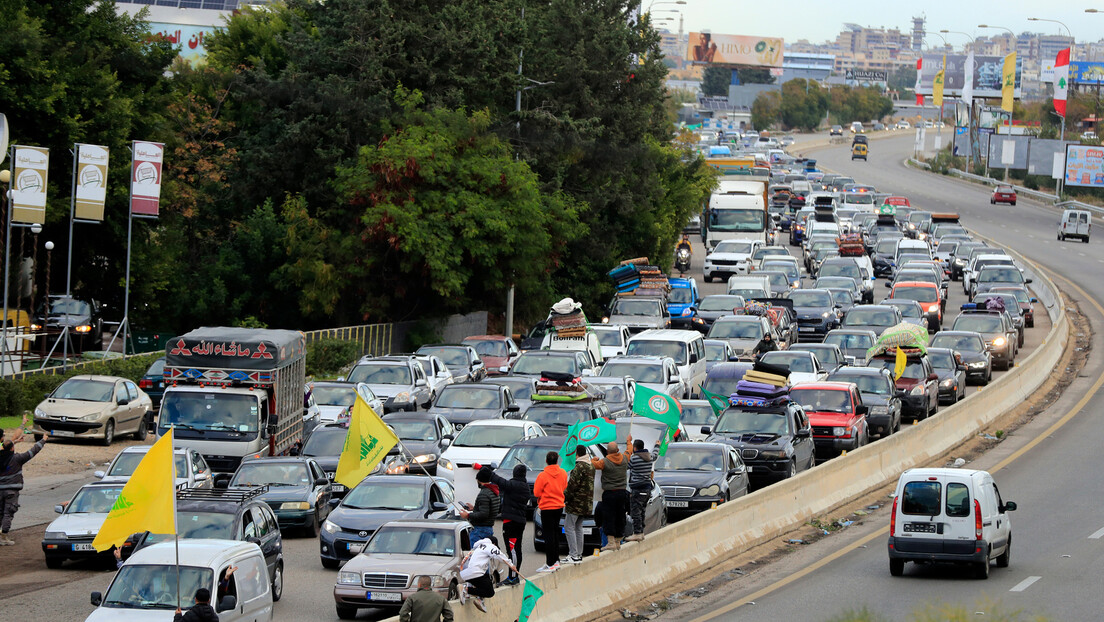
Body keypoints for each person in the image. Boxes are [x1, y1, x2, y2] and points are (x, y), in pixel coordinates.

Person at [477, 463, 531, 585]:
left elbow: (500, 481)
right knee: (514, 550)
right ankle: (513, 576)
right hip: (516, 521)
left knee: (513, 550)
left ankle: (513, 577)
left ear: (514, 473)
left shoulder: (516, 485)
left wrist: (486, 471)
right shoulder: (523, 485)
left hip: (512, 523)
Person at [0, 432, 47, 545]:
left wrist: (14, 441)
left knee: (0, 513)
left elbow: (5, 447)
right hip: (12, 491)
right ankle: (3, 537)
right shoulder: (17, 458)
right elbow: (33, 451)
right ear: (12, 449)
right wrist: (43, 440)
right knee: (8, 513)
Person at [459, 536, 516, 613]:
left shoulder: (477, 548)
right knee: (490, 592)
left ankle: (479, 598)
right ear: (494, 544)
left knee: (487, 579)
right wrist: (511, 565)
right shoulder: (489, 546)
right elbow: (499, 555)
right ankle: (466, 589)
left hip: (464, 573)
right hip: (474, 572)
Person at [591, 440, 630, 552]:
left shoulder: (604, 462)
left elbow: (593, 465)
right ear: (618, 450)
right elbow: (629, 451)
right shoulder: (625, 459)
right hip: (622, 493)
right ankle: (618, 541)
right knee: (620, 516)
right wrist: (628, 441)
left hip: (609, 493)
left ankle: (611, 542)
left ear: (608, 451)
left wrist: (594, 459)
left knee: (609, 517)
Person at [532, 451, 567, 572]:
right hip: (558, 506)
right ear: (557, 461)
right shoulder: (563, 473)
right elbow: (564, 487)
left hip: (547, 507)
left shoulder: (543, 475)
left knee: (548, 535)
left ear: (546, 461)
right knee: (555, 533)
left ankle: (550, 562)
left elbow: (536, 492)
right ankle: (555, 560)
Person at [563, 445, 594, 563]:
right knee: (578, 527)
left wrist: (564, 497)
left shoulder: (579, 466)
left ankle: (573, 554)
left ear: (577, 454)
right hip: (586, 503)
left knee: (568, 527)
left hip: (576, 503)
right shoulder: (590, 466)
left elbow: (572, 485)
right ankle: (579, 554)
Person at [626, 437, 659, 543]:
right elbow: (655, 455)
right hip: (647, 488)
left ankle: (637, 533)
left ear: (635, 448)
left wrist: (628, 449)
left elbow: (626, 466)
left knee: (635, 512)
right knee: (642, 511)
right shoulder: (649, 457)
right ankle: (641, 531)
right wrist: (657, 446)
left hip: (637, 488)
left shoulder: (634, 458)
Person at [461, 468, 500, 543]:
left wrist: (467, 515)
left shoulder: (484, 493)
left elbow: (483, 514)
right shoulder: (494, 491)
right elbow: (488, 509)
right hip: (488, 528)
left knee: (477, 553)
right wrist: (474, 508)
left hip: (480, 530)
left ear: (479, 480)